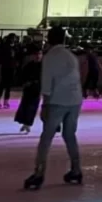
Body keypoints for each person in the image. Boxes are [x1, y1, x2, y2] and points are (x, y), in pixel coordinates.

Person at [23, 26, 84, 190]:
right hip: (75, 100)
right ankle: (76, 169)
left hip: (57, 101)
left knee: (46, 138)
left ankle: (39, 173)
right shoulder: (71, 56)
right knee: (69, 135)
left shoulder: (50, 57)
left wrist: (45, 105)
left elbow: (47, 83)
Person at [15, 47, 43, 133]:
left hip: (37, 89)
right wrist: (25, 83)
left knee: (32, 107)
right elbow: (22, 76)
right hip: (28, 89)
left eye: (39, 54)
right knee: (25, 106)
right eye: (36, 54)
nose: (38, 56)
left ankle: (27, 123)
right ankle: (25, 122)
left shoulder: (43, 66)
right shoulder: (29, 65)